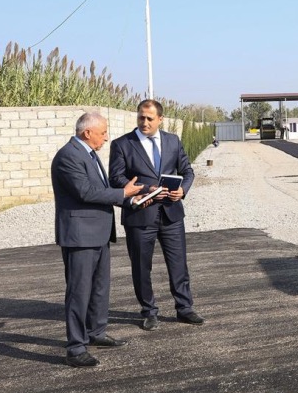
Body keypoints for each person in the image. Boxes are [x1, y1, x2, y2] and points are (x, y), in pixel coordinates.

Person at [51, 112, 144, 367]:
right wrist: (122, 193)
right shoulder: (68, 156)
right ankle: (76, 348)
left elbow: (99, 190)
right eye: (103, 133)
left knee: (100, 288)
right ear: (87, 132)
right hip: (80, 237)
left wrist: (129, 199)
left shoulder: (88, 154)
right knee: (79, 292)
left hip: (98, 234)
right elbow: (85, 191)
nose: (106, 138)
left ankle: (96, 332)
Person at [109, 99, 204, 331]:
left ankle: (184, 308)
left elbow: (187, 171)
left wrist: (182, 191)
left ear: (160, 119)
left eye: (150, 118)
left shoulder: (173, 141)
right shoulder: (122, 144)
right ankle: (149, 311)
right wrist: (144, 189)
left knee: (178, 263)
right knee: (141, 267)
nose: (144, 122)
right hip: (140, 215)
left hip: (172, 214)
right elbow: (116, 179)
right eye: (141, 117)